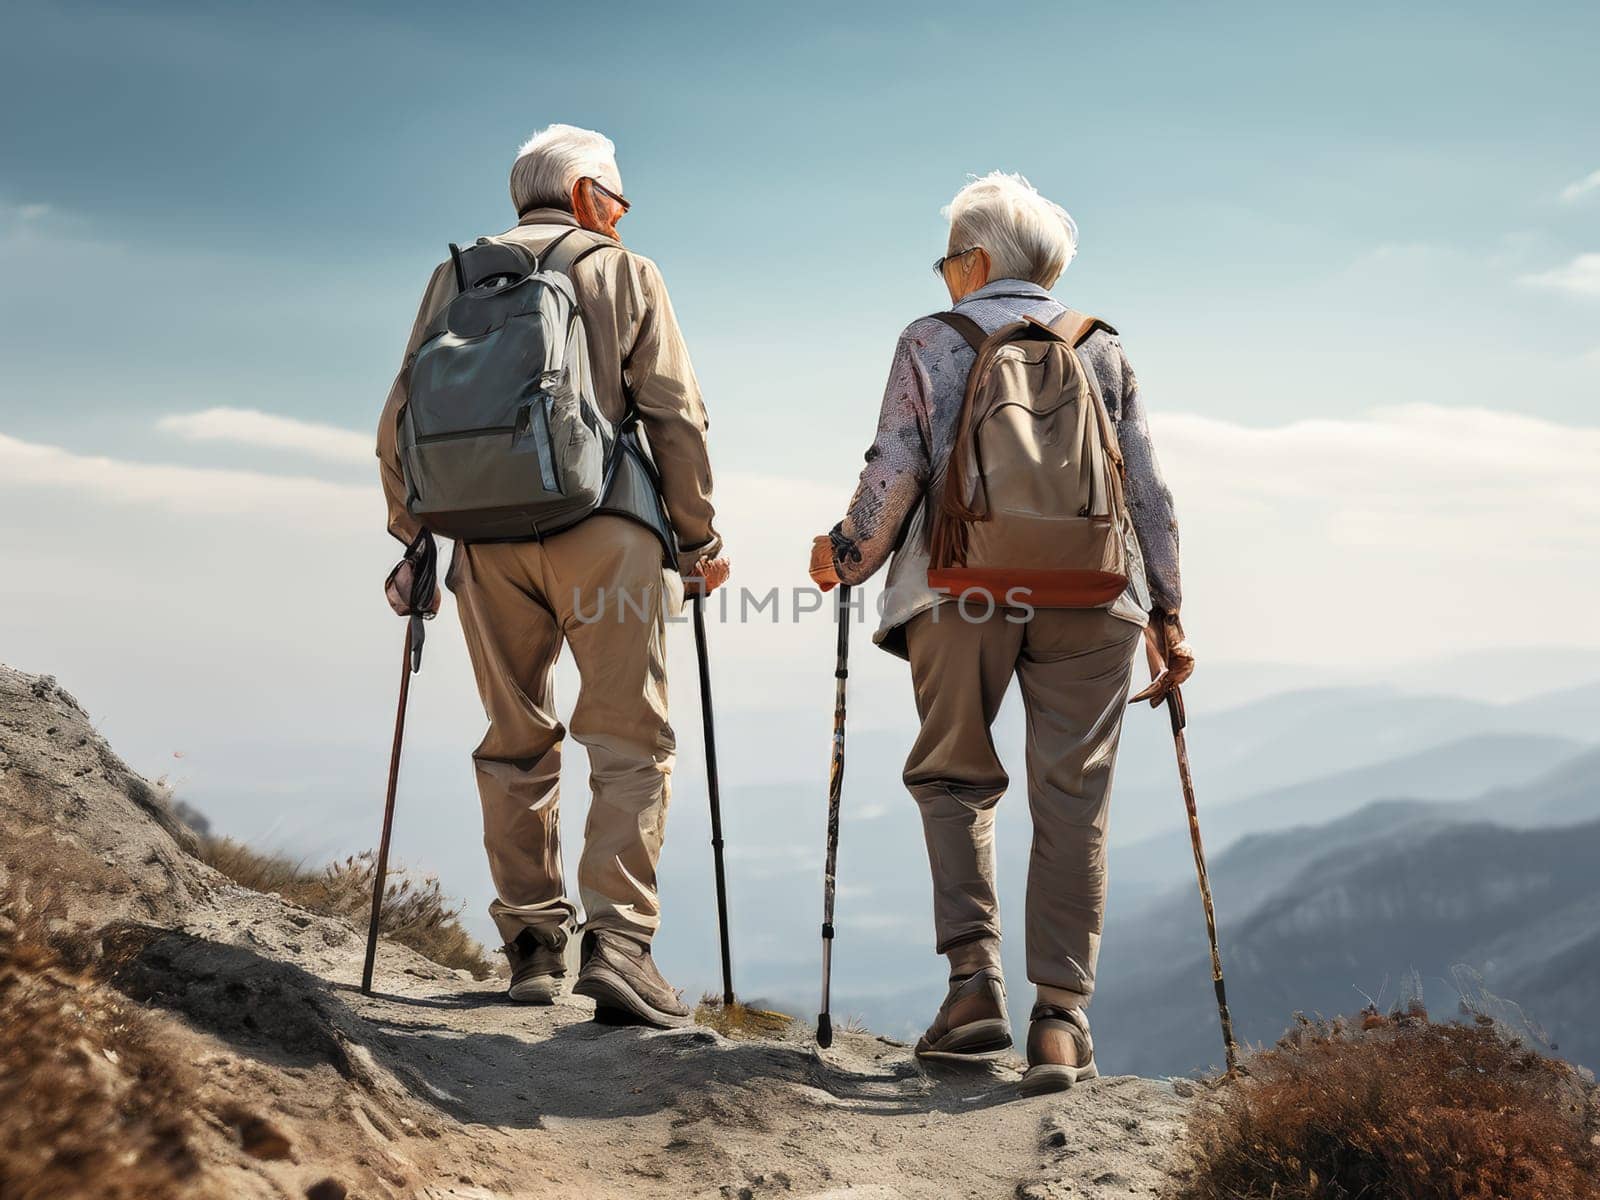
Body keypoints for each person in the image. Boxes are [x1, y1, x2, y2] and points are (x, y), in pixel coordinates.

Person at [808, 172, 1193, 1092]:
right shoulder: (1102, 347)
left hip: (959, 587)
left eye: (949, 258)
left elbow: (894, 469)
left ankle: (972, 989)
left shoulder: (930, 340)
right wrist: (1168, 613)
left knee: (952, 776)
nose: (945, 276)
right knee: (1074, 796)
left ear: (976, 259)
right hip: (1095, 595)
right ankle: (1060, 1022)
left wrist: (845, 554)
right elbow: (1146, 488)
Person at [377, 124, 729, 1028]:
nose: (618, 216)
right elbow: (676, 417)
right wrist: (696, 541)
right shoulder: (624, 270)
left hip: (481, 543)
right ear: (584, 197)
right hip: (604, 529)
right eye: (613, 200)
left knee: (513, 737)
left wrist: (413, 539)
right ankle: (619, 948)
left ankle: (532, 947)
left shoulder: (454, 277)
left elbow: (400, 422)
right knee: (628, 740)